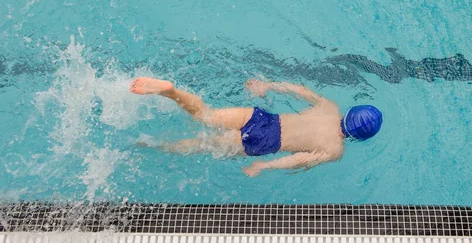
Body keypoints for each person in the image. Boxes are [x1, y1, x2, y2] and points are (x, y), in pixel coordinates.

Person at [130, 77, 383, 177]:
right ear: (358, 137)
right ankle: (148, 145)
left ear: (350, 112)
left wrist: (268, 86)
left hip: (261, 117)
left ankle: (171, 92)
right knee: (196, 145)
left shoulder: (330, 107)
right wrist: (264, 165)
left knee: (206, 115)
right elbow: (297, 160)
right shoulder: (334, 149)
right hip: (264, 142)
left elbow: (299, 90)